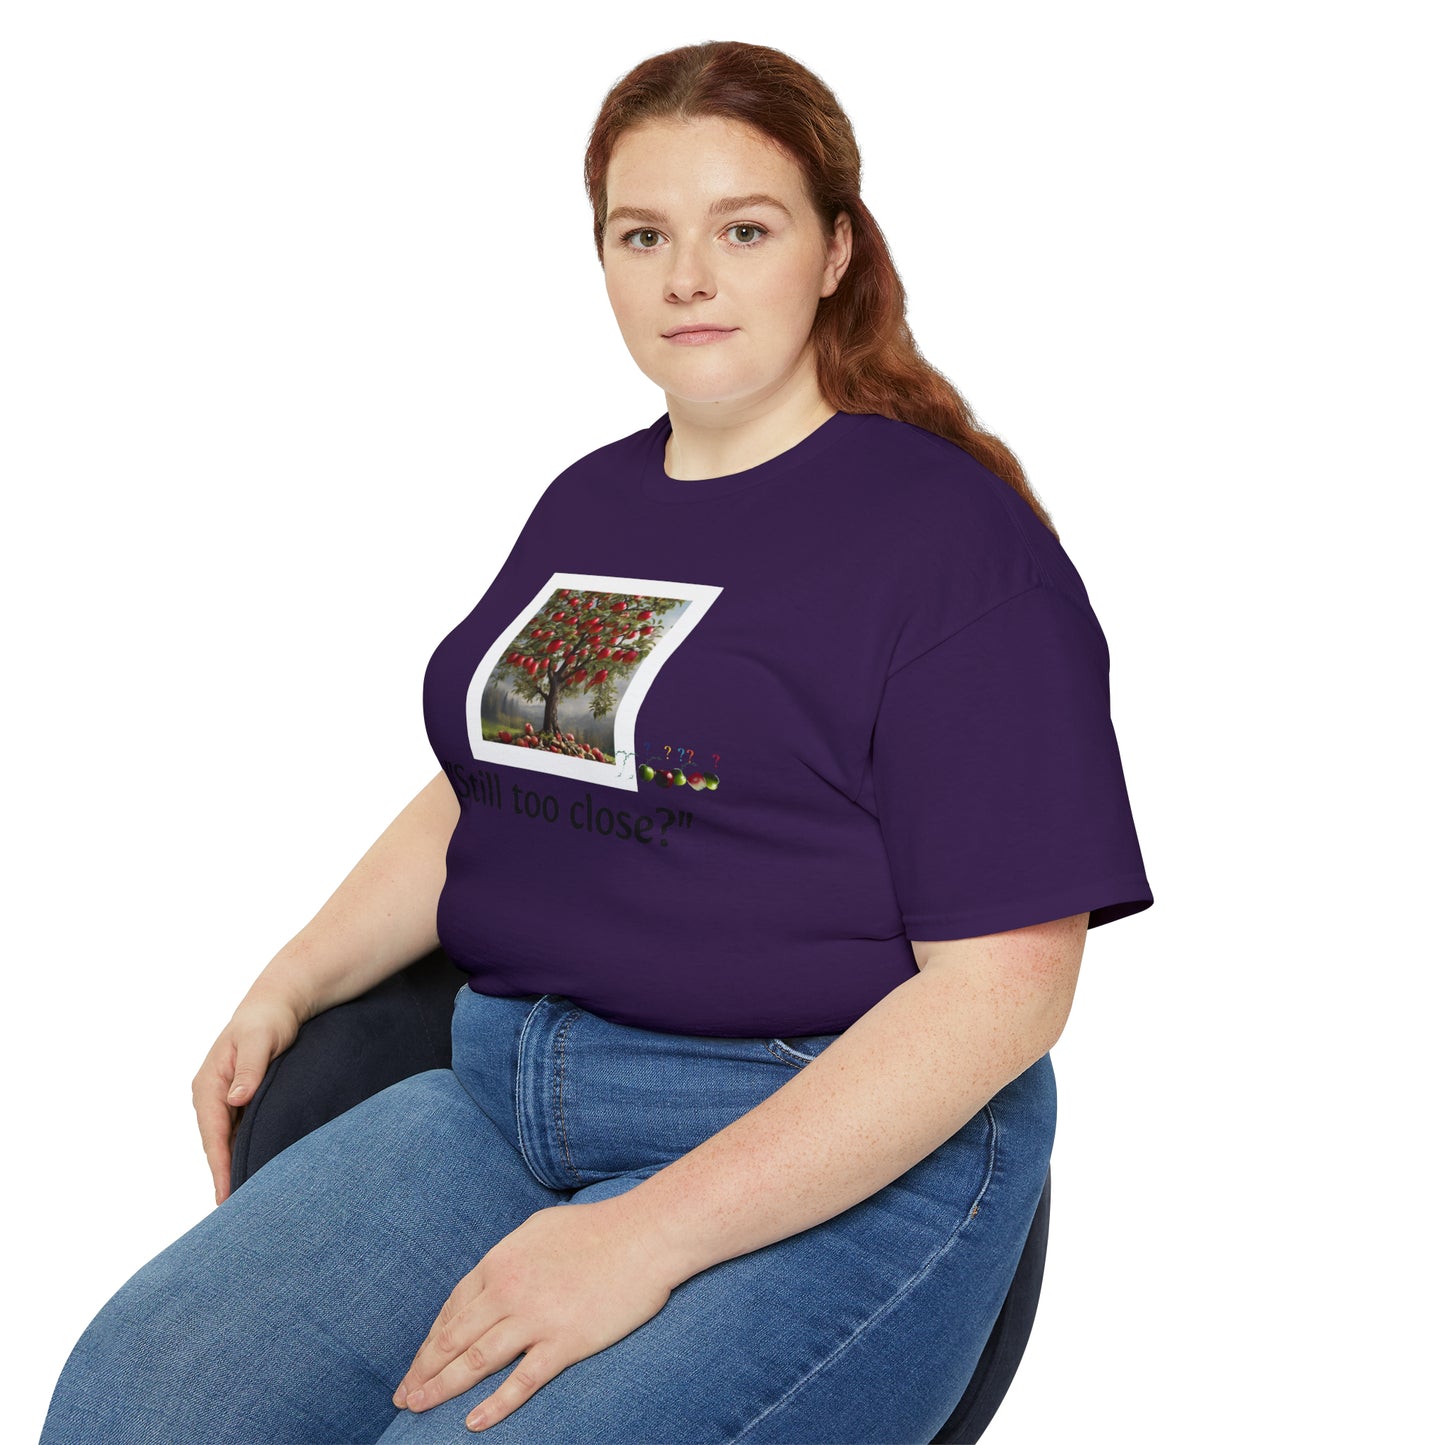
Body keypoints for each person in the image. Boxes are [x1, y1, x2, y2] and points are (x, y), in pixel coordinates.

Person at [41, 37, 1153, 1445]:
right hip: (509, 1098)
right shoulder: (595, 506)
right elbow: (502, 779)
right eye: (643, 235)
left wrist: (644, 1238)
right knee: (134, 1409)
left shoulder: (950, 548)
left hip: (817, 1128)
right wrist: (290, 978)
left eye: (742, 230)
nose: (687, 276)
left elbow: (1003, 992)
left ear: (832, 251)